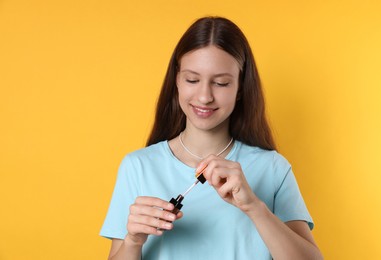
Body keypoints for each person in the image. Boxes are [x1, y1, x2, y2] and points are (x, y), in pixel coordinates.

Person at [100, 16, 323, 260]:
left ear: (240, 88)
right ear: (176, 80)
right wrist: (133, 242)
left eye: (221, 83)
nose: (205, 96)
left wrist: (254, 207)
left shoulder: (273, 168)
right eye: (192, 80)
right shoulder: (138, 167)